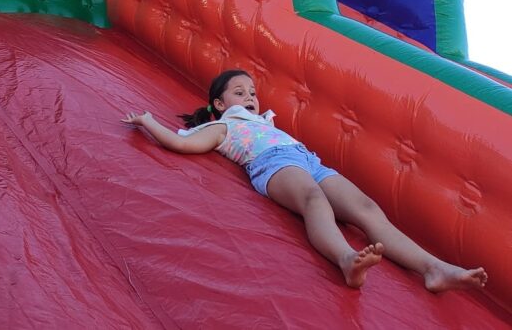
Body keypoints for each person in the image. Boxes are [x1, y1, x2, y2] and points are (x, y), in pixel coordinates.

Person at [122, 69, 488, 291]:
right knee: (314, 200)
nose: (250, 97)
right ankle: (346, 258)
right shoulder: (223, 126)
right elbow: (181, 143)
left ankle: (433, 269)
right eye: (239, 92)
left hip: (310, 161)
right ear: (219, 103)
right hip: (272, 164)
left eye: (252, 92)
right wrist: (147, 120)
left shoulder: (266, 122)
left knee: (366, 208)